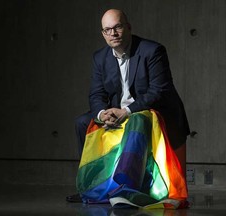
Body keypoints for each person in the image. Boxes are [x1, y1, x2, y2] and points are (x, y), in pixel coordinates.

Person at [66, 9, 190, 206]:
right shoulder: (100, 57)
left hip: (153, 112)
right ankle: (91, 188)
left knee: (137, 119)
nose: (113, 34)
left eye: (118, 27)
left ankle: (127, 188)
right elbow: (96, 94)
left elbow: (159, 91)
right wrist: (102, 113)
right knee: (83, 122)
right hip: (119, 112)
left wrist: (126, 111)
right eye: (107, 30)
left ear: (128, 27)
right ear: (103, 34)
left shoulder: (152, 51)